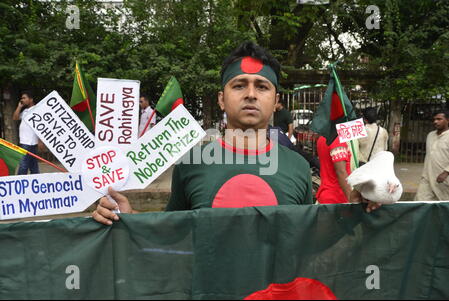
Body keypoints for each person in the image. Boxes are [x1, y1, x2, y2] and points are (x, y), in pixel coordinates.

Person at [92, 41, 380, 225]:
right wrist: (130, 219)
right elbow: (171, 232)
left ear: (276, 101)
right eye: (239, 85)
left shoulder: (297, 166)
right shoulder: (192, 162)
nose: (251, 94)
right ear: (221, 99)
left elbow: (303, 237)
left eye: (262, 86)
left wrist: (358, 212)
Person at [415, 109, 449, 201]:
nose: (435, 122)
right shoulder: (430, 135)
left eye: (439, 119)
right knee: (420, 202)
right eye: (434, 119)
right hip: (427, 177)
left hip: (444, 179)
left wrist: (446, 172)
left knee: (444, 205)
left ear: (447, 120)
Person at [316, 136, 353, 204]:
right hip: (337, 198)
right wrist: (352, 200)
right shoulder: (337, 140)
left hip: (327, 194)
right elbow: (341, 172)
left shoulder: (322, 137)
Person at [12, 91, 42, 174]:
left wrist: (40, 140)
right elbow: (15, 118)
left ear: (31, 99)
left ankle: (20, 183)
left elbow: (41, 126)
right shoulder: (25, 111)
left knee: (23, 166)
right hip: (24, 142)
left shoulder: (37, 109)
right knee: (33, 166)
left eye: (24, 98)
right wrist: (19, 107)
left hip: (29, 142)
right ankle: (37, 181)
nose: (22, 100)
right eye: (22, 98)